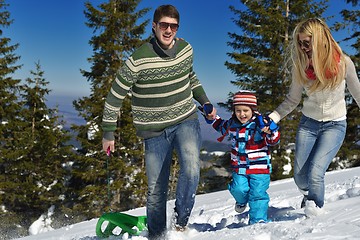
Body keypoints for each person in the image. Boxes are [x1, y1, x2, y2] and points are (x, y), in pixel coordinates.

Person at [101, 4, 216, 239]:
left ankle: (180, 223)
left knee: (192, 168)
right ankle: (157, 235)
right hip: (153, 131)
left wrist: (204, 102)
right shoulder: (138, 60)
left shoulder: (186, 50)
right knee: (155, 190)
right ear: (154, 26)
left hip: (185, 118)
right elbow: (115, 95)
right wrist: (108, 132)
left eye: (173, 26)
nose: (168, 30)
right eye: (164, 25)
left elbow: (190, 77)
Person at [268, 18, 360, 215]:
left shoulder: (344, 63)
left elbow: (358, 94)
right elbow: (292, 100)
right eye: (299, 43)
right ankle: (309, 197)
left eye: (306, 43)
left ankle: (315, 216)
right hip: (308, 124)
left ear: (319, 39)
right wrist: (273, 117)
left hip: (335, 126)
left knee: (316, 173)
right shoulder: (300, 65)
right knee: (301, 178)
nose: (302, 47)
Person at [202, 91, 280, 224]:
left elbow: (273, 141)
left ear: (253, 110)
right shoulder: (232, 124)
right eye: (238, 110)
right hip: (240, 167)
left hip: (259, 168)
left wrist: (271, 130)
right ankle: (242, 201)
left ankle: (258, 220)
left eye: (245, 110)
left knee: (258, 195)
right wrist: (211, 118)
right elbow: (220, 125)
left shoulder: (260, 124)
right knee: (238, 188)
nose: (242, 114)